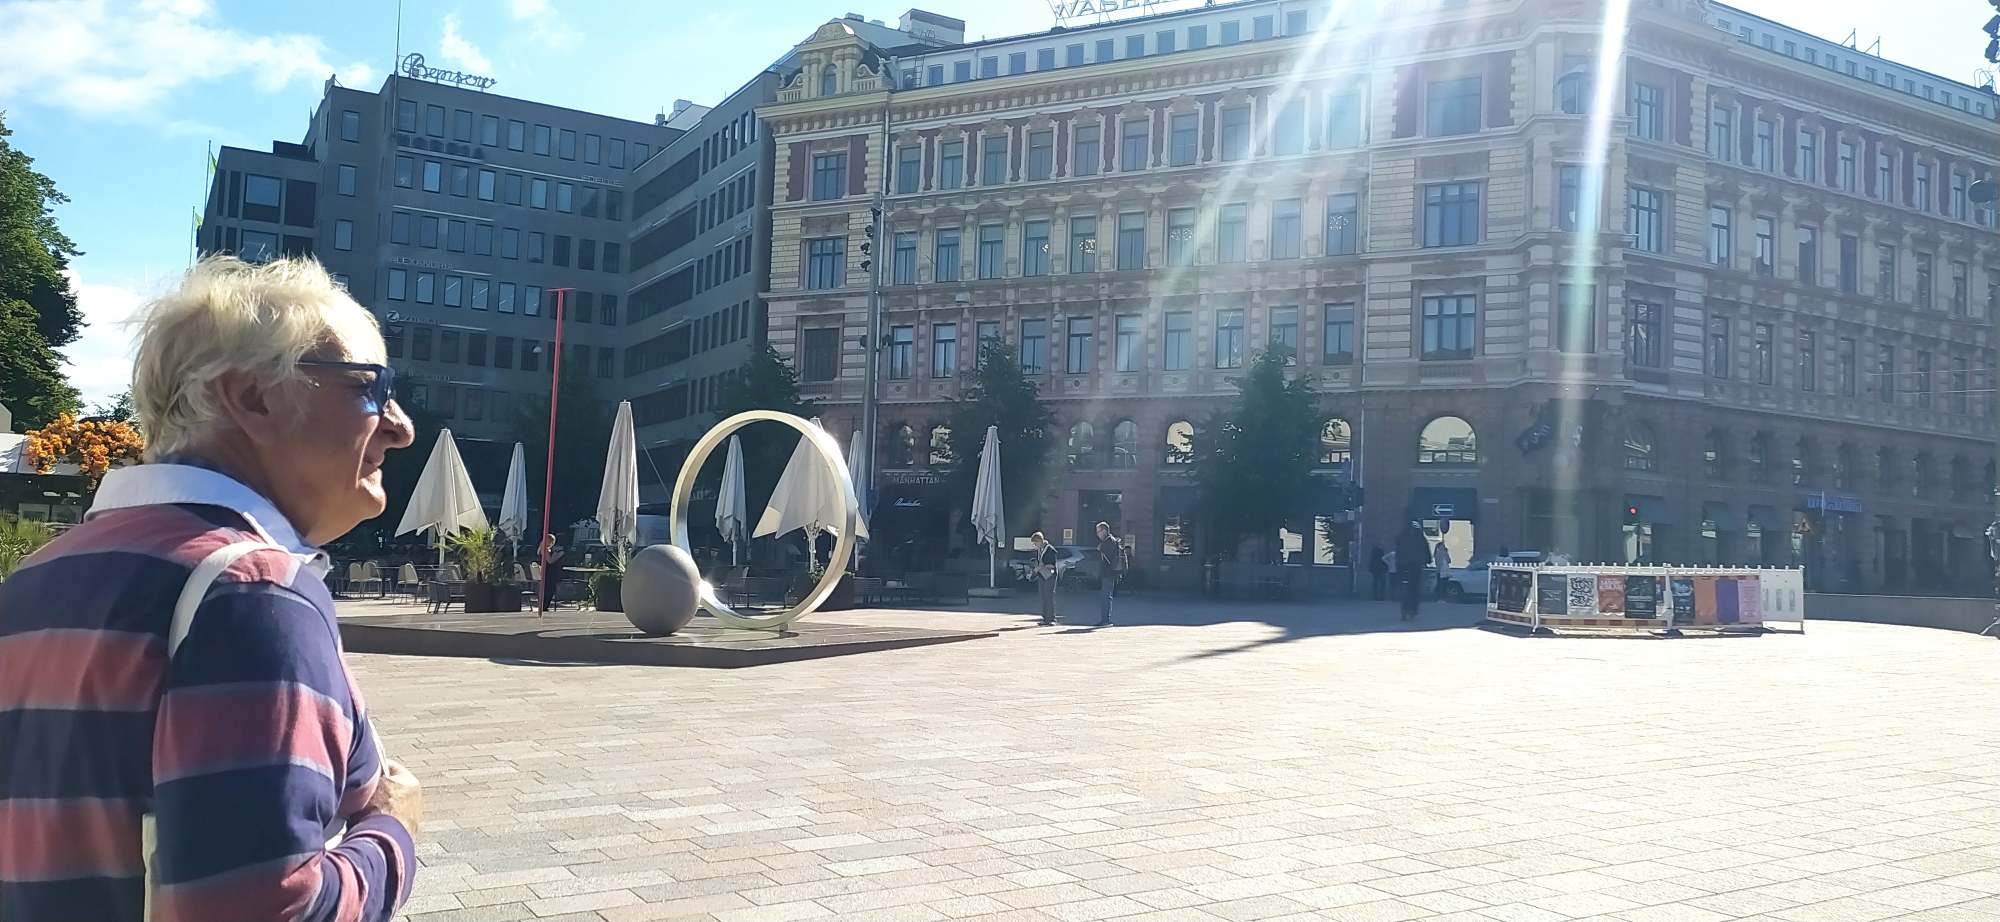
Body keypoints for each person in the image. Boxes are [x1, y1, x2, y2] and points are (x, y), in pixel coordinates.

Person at [0, 256, 422, 921]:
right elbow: (270, 911)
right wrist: (392, 833)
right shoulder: (253, 592)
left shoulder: (35, 578)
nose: (400, 426)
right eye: (370, 387)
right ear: (252, 399)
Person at [1395, 521, 1430, 621]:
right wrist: (1428, 560)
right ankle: (1413, 608)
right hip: (1415, 564)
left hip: (1402, 564)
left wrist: (1398, 561)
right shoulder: (1420, 537)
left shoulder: (1402, 535)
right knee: (1414, 587)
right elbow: (1426, 549)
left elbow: (1397, 547)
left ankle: (1403, 606)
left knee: (1403, 584)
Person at [1094, 521, 1124, 628]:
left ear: (1105, 531)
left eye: (1099, 531)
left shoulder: (1109, 542)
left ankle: (1105, 620)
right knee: (1106, 596)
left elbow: (1108, 559)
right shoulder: (1109, 541)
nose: (1097, 534)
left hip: (1108, 573)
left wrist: (1100, 550)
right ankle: (1105, 619)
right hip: (1108, 573)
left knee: (1106, 596)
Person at [1030, 531, 1060, 625]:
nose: (1035, 545)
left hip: (1050, 575)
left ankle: (1052, 619)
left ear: (1040, 541)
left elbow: (1052, 565)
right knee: (1043, 597)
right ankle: (1045, 618)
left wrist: (1040, 567)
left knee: (1049, 597)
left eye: (1035, 543)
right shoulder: (1040, 550)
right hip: (1042, 576)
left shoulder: (1050, 550)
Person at [538, 533, 570, 613]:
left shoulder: (545, 549)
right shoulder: (544, 549)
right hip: (548, 572)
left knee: (549, 588)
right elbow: (550, 560)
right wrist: (558, 555)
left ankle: (545, 605)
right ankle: (545, 605)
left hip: (548, 571)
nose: (552, 543)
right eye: (551, 541)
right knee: (549, 589)